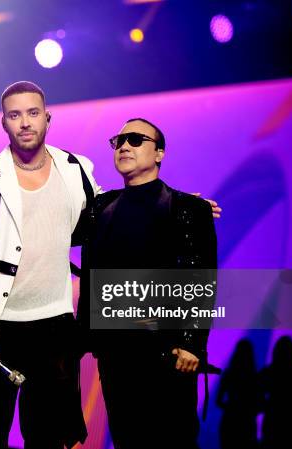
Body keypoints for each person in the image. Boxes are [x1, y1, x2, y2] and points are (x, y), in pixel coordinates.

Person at [0, 81, 97, 448]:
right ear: (3, 123)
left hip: (54, 328)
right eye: (15, 115)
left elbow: (109, 218)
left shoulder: (76, 169)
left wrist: (181, 206)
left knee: (50, 439)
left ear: (47, 118)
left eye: (33, 113)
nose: (25, 123)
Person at [78, 117, 218, 448]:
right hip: (117, 354)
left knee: (174, 439)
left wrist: (191, 341)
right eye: (119, 140)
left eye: (136, 139)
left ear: (159, 154)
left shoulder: (186, 208)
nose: (124, 146)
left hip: (169, 353)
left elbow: (201, 276)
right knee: (128, 438)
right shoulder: (101, 206)